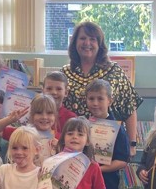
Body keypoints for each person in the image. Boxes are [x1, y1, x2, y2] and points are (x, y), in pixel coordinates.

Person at [61, 21, 143, 156]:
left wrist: (132, 144)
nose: (87, 43)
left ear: (99, 44)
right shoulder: (65, 73)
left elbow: (130, 108)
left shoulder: (114, 71)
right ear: (75, 43)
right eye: (82, 38)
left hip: (108, 147)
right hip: (73, 147)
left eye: (92, 39)